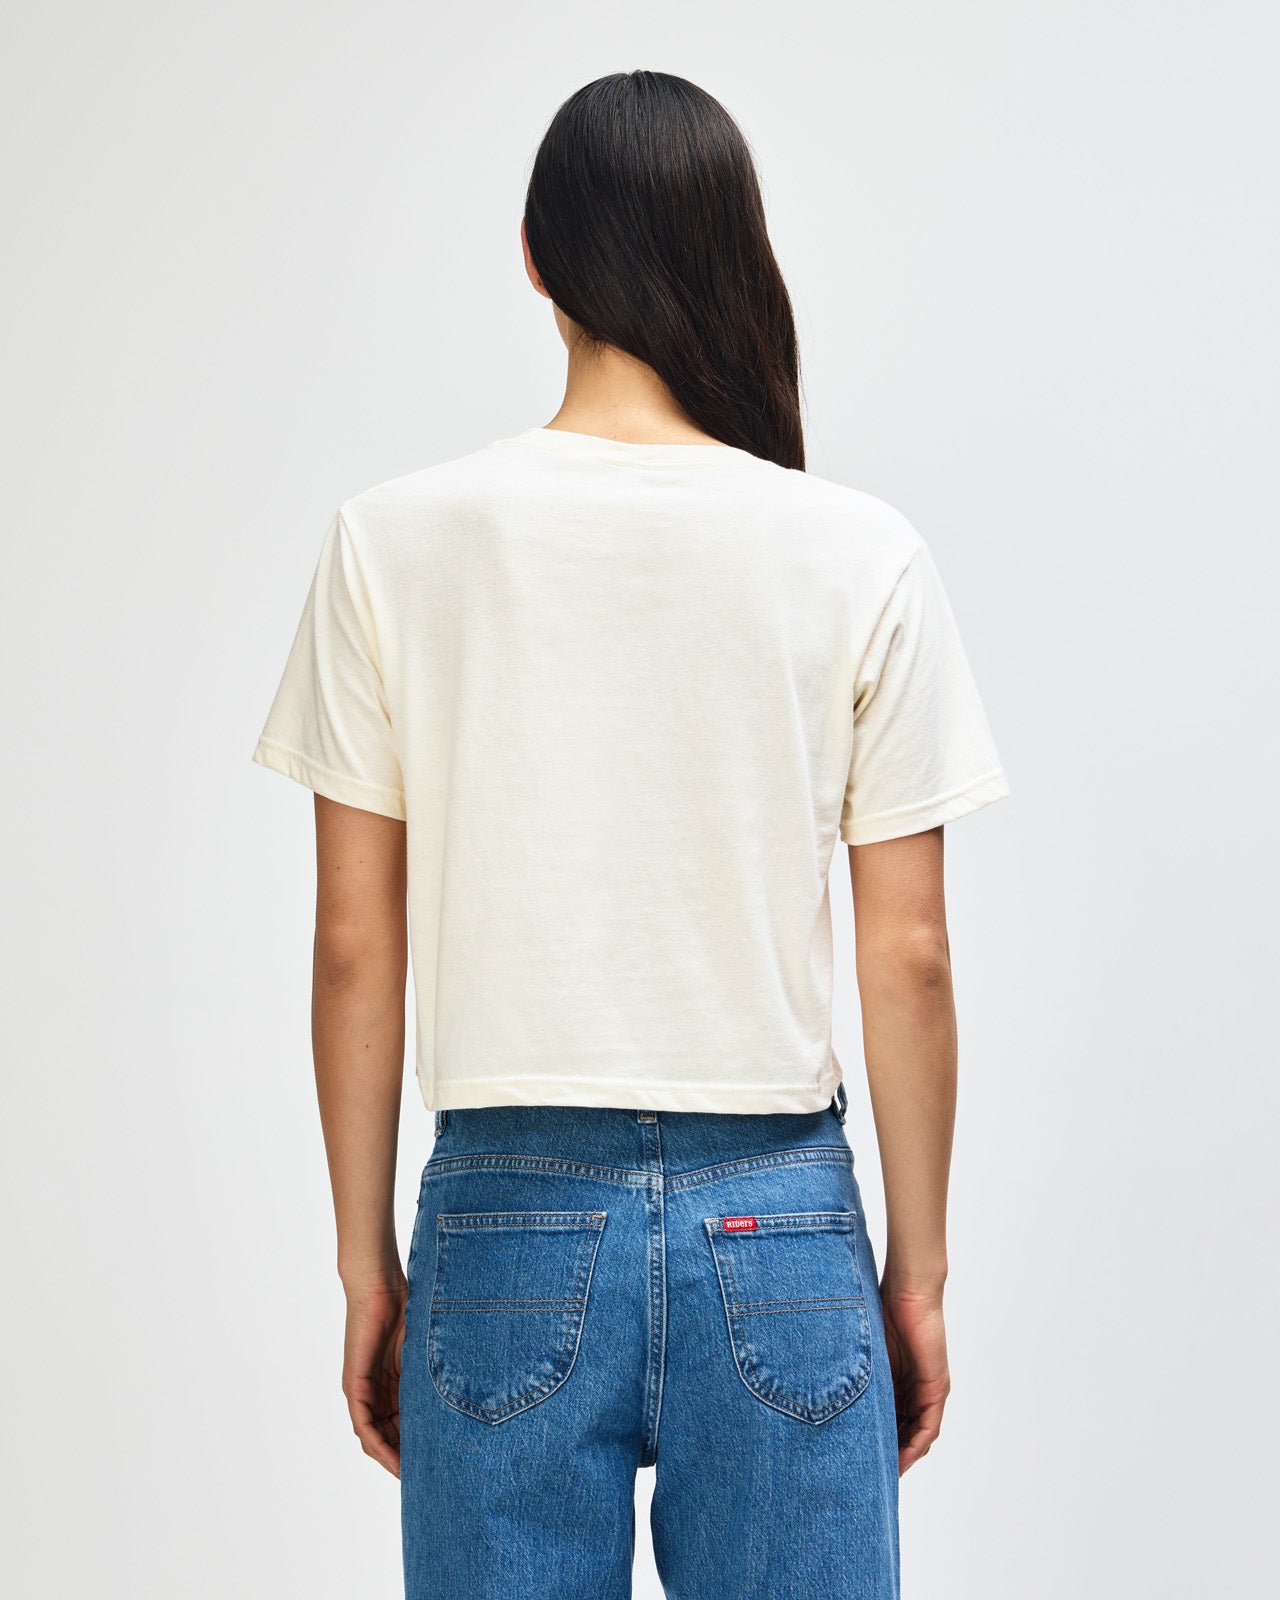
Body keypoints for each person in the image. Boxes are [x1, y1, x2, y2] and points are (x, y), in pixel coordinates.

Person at [251, 69, 1010, 1600]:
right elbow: (912, 953)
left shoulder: (392, 541)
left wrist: (365, 1265)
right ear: (736, 249)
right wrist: (916, 1273)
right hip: (779, 1223)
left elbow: (351, 947)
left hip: (502, 1219)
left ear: (536, 258)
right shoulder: (858, 551)